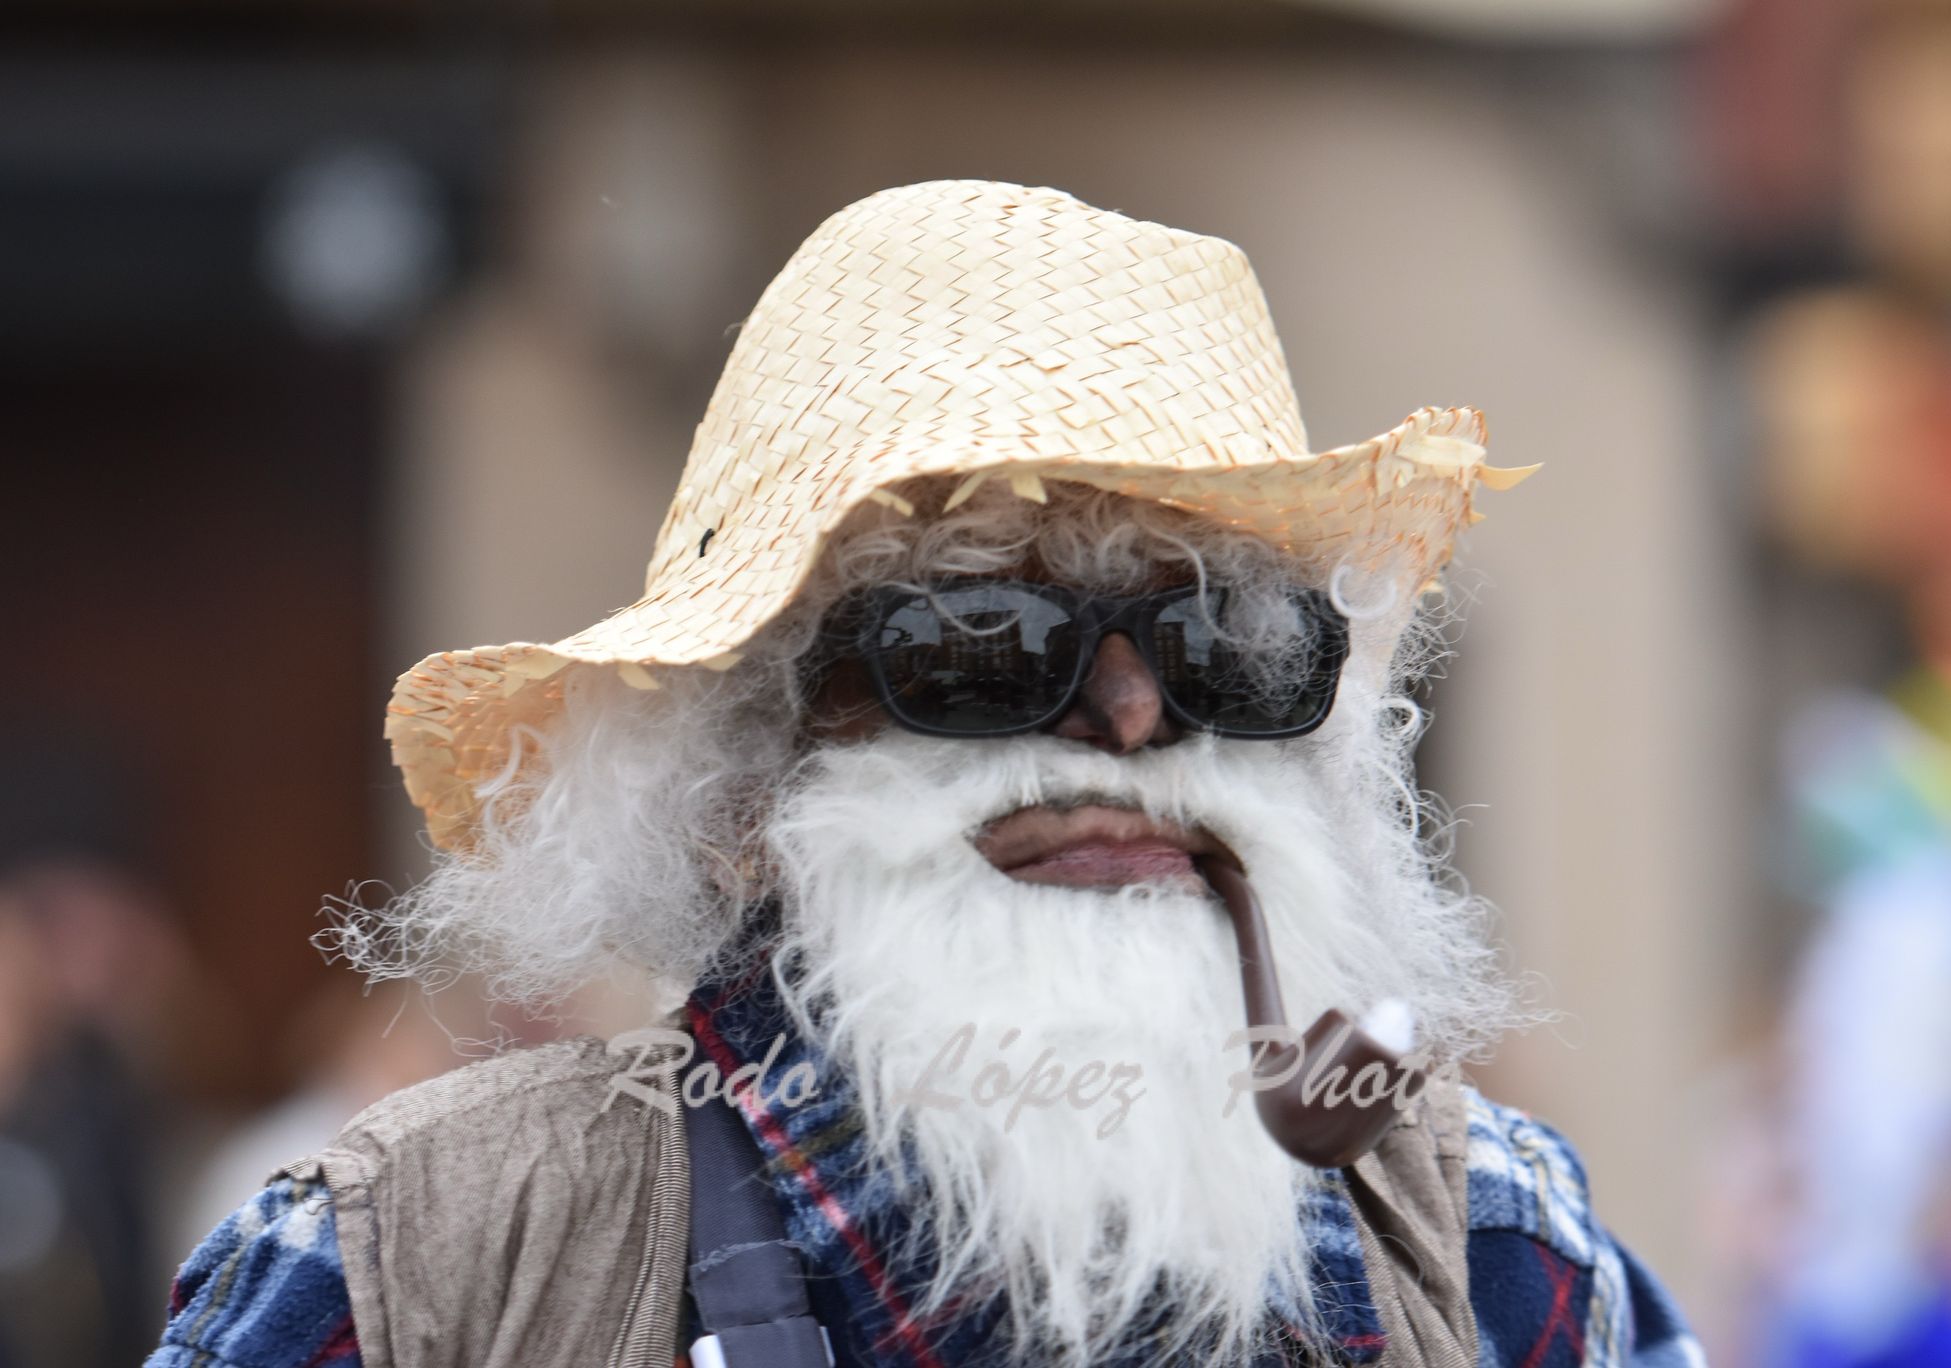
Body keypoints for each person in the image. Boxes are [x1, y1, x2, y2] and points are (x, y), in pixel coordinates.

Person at [147, 180, 1701, 1368]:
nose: (1134, 717)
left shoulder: (1493, 1235)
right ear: (738, 792)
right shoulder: (419, 1255)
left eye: (1227, 644)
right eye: (979, 641)